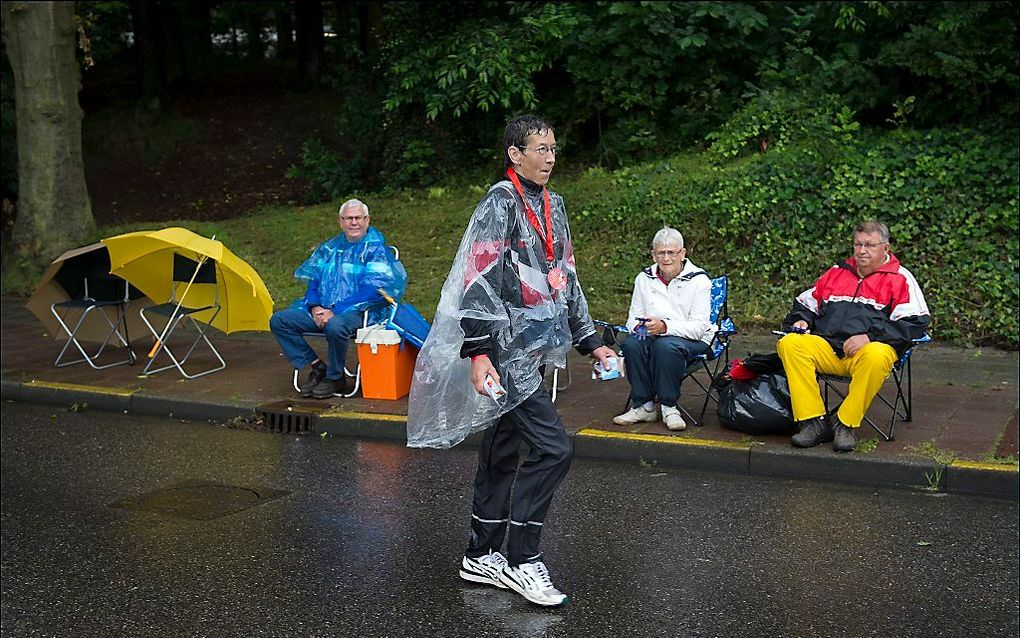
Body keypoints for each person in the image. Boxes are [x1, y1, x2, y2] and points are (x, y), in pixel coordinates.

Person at [405, 114, 615, 607]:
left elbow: (566, 275)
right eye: (540, 149)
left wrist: (590, 341)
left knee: (503, 449)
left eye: (554, 149)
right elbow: (476, 278)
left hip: (536, 347)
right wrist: (479, 352)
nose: (550, 158)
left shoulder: (553, 205)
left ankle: (481, 553)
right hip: (506, 351)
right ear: (514, 154)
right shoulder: (499, 203)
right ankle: (523, 559)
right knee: (554, 448)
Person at [778, 220, 930, 452]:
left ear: (886, 248)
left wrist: (869, 337)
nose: (862, 251)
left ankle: (844, 422)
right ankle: (813, 422)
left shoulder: (901, 278)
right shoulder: (837, 273)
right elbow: (806, 303)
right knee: (790, 343)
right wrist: (803, 319)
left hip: (867, 354)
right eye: (858, 244)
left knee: (878, 354)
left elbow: (914, 324)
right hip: (828, 348)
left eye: (869, 245)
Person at [269, 199, 406, 399]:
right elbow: (314, 280)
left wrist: (335, 311)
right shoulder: (330, 248)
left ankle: (336, 377)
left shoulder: (376, 251)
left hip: (360, 313)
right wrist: (315, 307)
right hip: (323, 311)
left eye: (358, 217)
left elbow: (373, 290)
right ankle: (317, 367)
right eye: (348, 218)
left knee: (335, 326)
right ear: (340, 222)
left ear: (367, 220)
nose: (353, 222)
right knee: (280, 321)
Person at [612, 227, 716, 431]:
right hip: (653, 334)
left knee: (665, 347)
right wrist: (642, 327)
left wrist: (664, 327)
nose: (666, 258)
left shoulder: (699, 280)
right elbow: (631, 320)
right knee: (632, 344)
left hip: (694, 339)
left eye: (671, 252)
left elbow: (698, 328)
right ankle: (645, 406)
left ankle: (669, 407)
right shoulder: (644, 278)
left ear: (682, 253)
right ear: (653, 254)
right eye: (661, 252)